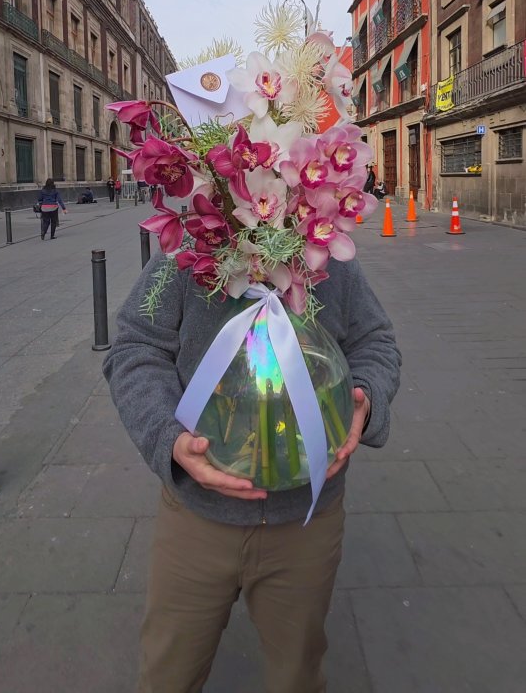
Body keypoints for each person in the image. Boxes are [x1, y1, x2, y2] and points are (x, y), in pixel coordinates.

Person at [103, 254, 401, 693]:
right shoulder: (184, 254)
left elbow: (375, 342)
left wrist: (365, 396)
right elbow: (136, 346)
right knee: (168, 673)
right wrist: (168, 437)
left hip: (306, 523)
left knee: (297, 675)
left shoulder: (331, 257)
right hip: (197, 519)